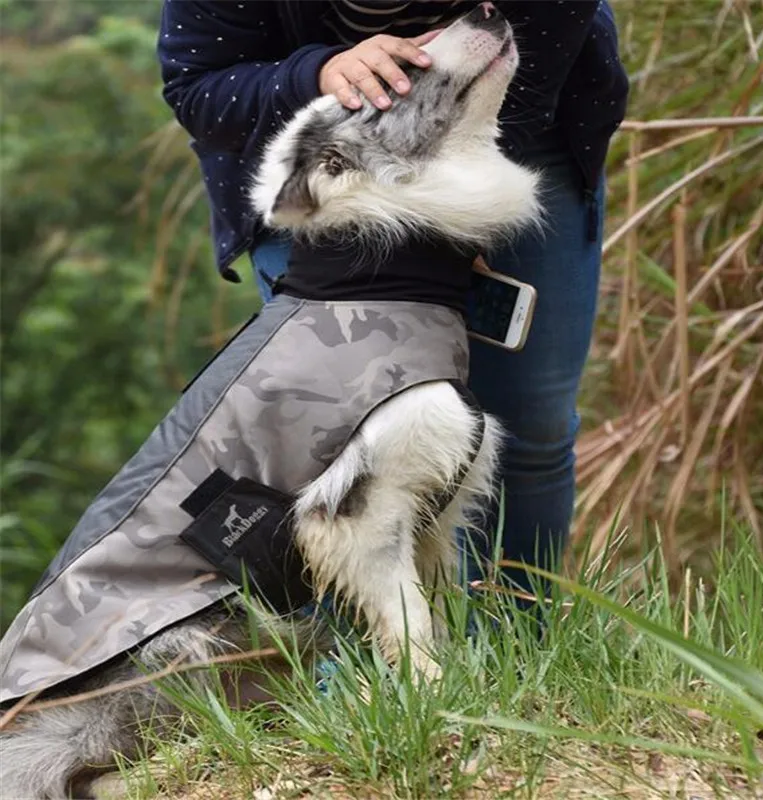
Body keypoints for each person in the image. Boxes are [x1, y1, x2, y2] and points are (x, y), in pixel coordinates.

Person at [157, 1, 629, 600]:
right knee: (325, 456)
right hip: (321, 181)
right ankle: (357, 676)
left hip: (511, 126)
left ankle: (519, 655)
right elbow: (201, 88)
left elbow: (533, 46)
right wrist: (320, 73)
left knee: (530, 427)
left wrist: (457, 224)